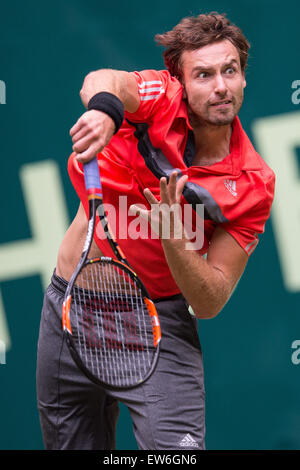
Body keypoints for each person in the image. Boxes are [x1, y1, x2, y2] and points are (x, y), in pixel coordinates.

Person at [36, 12, 275, 450]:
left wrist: (173, 237)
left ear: (243, 78)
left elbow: (210, 300)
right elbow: (103, 79)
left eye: (230, 71)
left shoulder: (253, 184)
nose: (220, 86)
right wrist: (107, 113)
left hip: (157, 323)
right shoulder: (158, 98)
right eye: (203, 75)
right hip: (69, 308)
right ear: (180, 83)